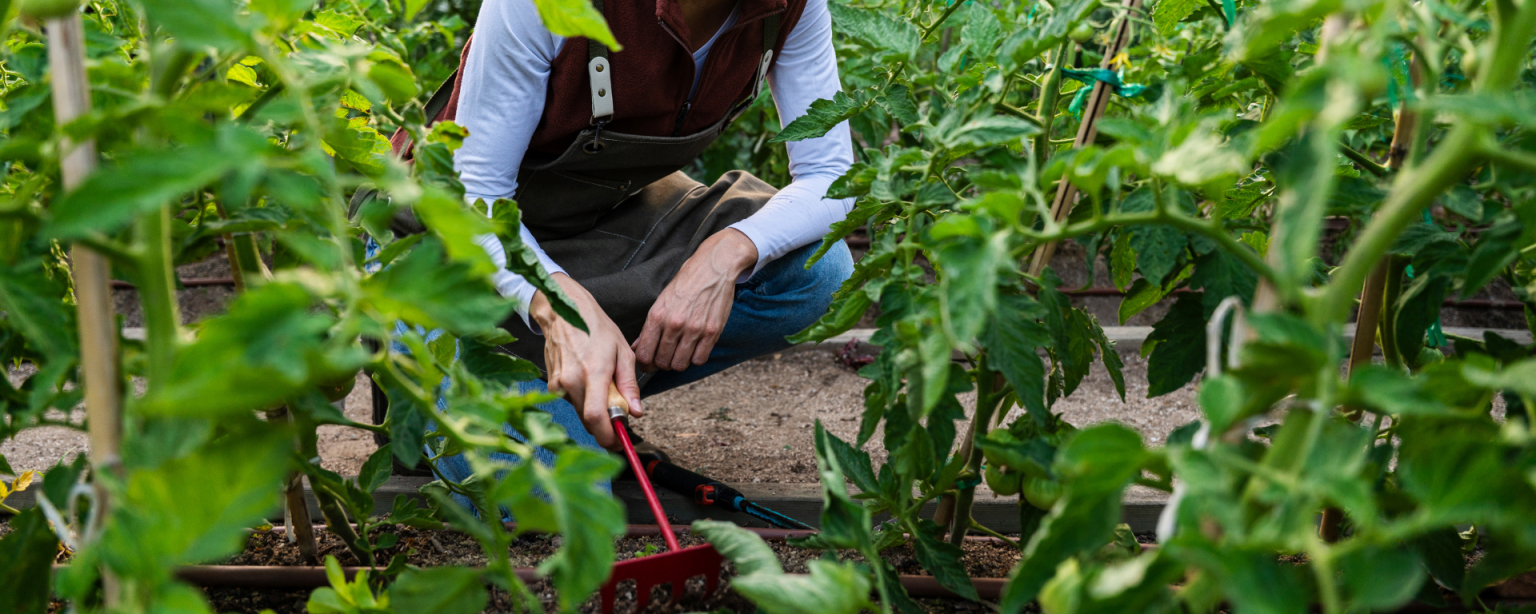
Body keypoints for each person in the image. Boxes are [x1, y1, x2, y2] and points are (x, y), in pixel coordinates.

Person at [407, 0, 856, 468]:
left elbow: (830, 174)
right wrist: (559, 308)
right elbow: (475, 196)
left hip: (597, 224)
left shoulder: (790, 7)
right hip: (447, 249)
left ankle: (580, 378)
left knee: (818, 270)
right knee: (553, 492)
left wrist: (726, 254)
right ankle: (417, 357)